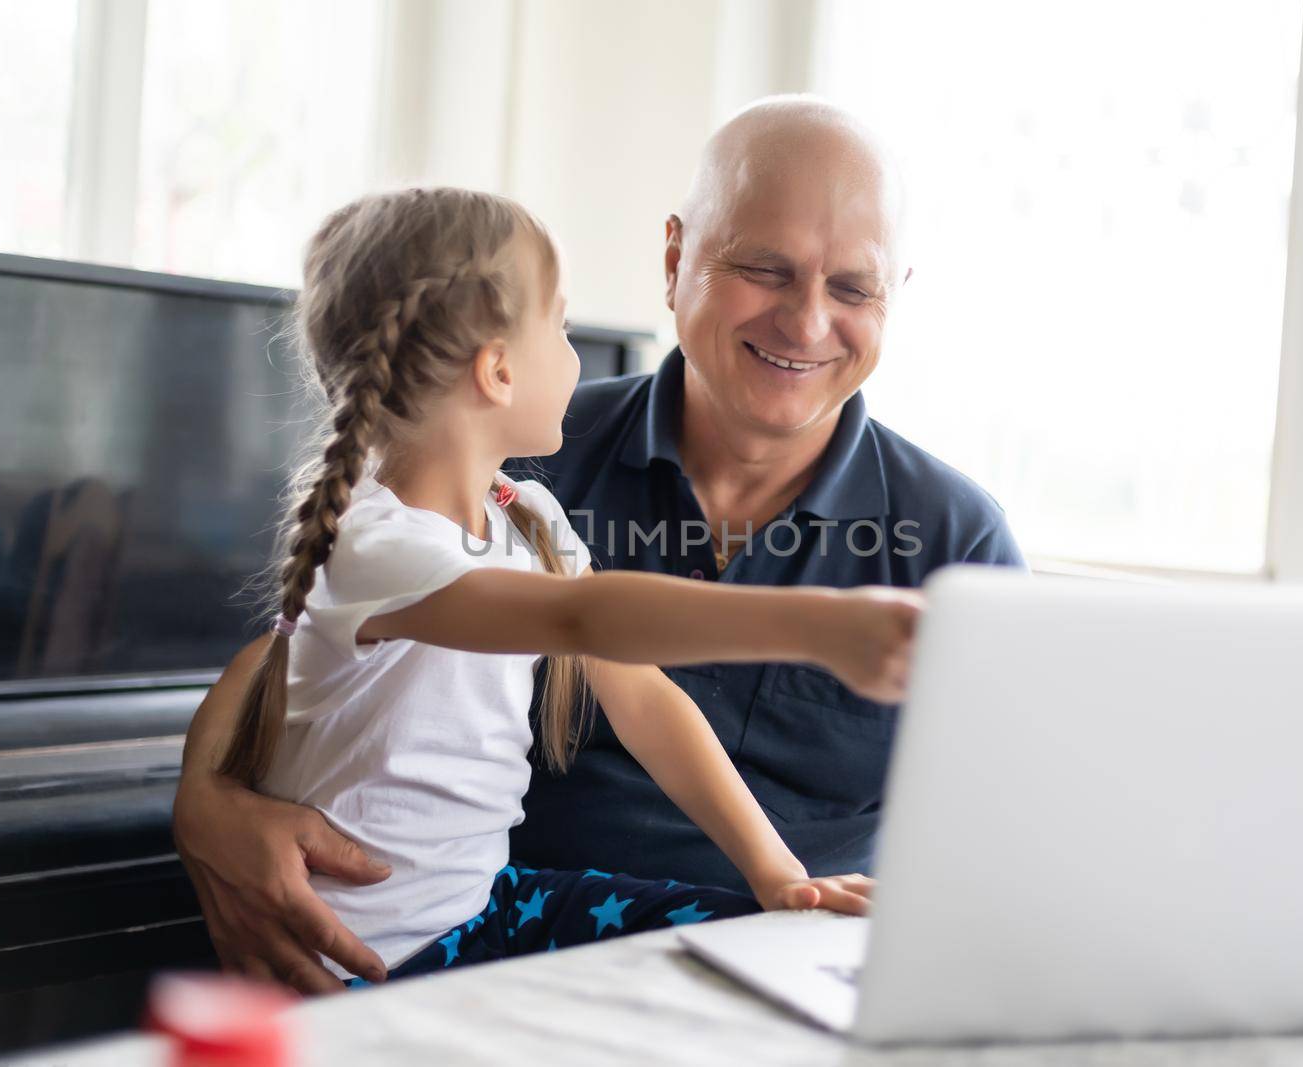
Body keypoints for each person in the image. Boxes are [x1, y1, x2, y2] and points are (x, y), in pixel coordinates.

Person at [175, 96, 1023, 992]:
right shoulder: (528, 451)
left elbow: (1013, 847)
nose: (808, 322)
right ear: (675, 259)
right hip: (467, 947)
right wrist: (205, 805)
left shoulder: (958, 536)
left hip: (769, 978)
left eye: (853, 287)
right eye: (766, 270)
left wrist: (784, 881)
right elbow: (293, 656)